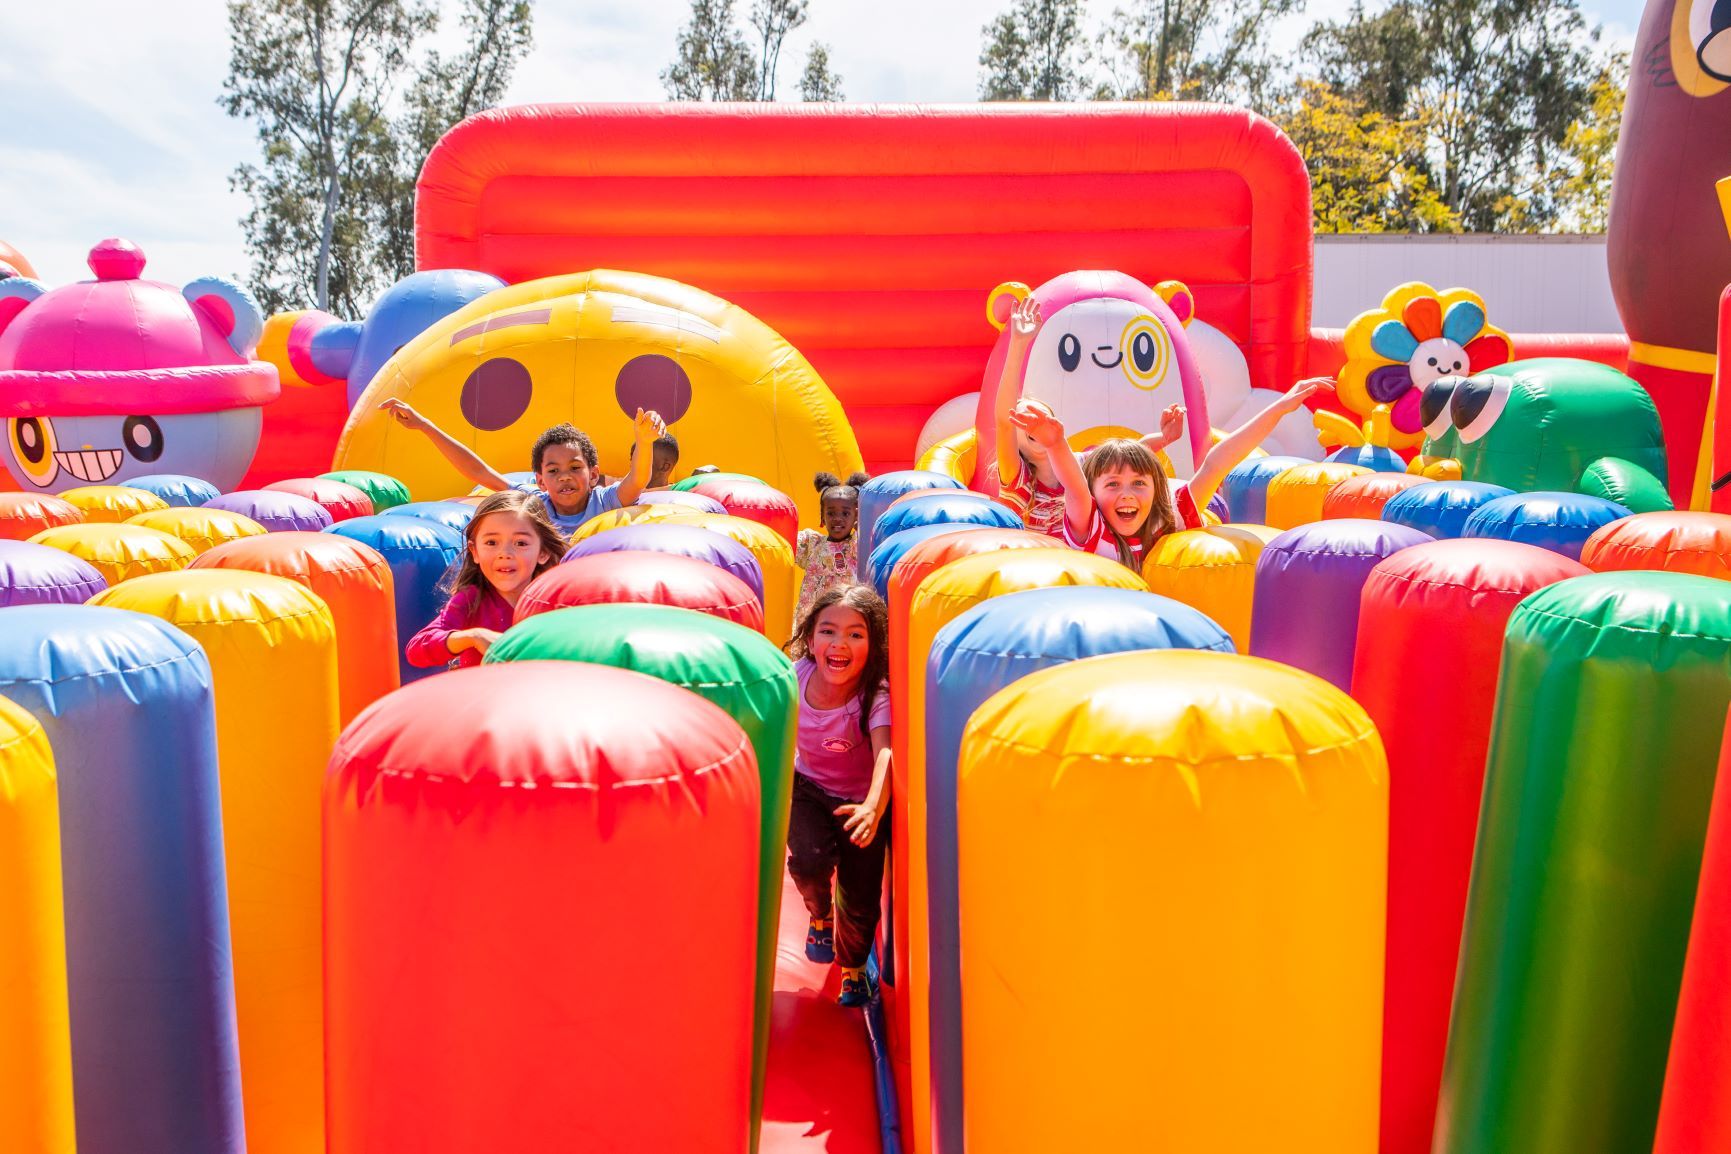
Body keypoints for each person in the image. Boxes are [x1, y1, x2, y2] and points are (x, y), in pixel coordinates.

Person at [1014, 376, 1334, 569]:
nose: (1127, 492)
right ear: (1094, 492)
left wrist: (1278, 408)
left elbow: (1217, 462)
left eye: (1139, 483)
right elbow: (1074, 487)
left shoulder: (1173, 515)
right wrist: (1056, 445)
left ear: (1157, 488)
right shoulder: (1090, 524)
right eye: (1113, 484)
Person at [987, 295, 1185, 538]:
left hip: (1081, 563)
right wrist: (1018, 344)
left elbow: (1130, 453)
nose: (1032, 416)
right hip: (1035, 564)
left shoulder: (1078, 465)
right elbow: (1004, 423)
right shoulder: (1019, 482)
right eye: (1023, 415)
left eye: (1039, 413)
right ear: (1017, 441)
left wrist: (1164, 438)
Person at [784, 583, 892, 1007]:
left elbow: (886, 751)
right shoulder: (797, 677)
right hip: (807, 787)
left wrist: (872, 807)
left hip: (859, 801)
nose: (839, 643)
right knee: (809, 861)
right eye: (828, 631)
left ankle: (852, 964)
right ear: (810, 638)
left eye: (855, 634)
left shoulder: (873, 693)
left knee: (861, 895)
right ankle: (820, 915)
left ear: (872, 644)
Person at [379, 398, 666, 536]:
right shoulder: (536, 503)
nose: (564, 476)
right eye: (553, 471)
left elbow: (638, 479)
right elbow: (480, 473)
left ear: (593, 475)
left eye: (574, 468)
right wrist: (425, 426)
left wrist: (644, 440)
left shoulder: (604, 500)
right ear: (540, 481)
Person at [406, 489, 566, 668]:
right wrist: (473, 637)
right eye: (491, 543)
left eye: (520, 543)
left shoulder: (555, 602)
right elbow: (417, 649)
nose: (505, 554)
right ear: (475, 551)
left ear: (543, 552)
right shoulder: (471, 600)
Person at [795, 470, 870, 621]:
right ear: (822, 516)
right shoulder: (811, 543)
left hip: (845, 617)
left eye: (845, 513)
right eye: (831, 513)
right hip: (811, 618)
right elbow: (784, 542)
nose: (837, 518)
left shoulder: (858, 545)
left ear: (856, 516)